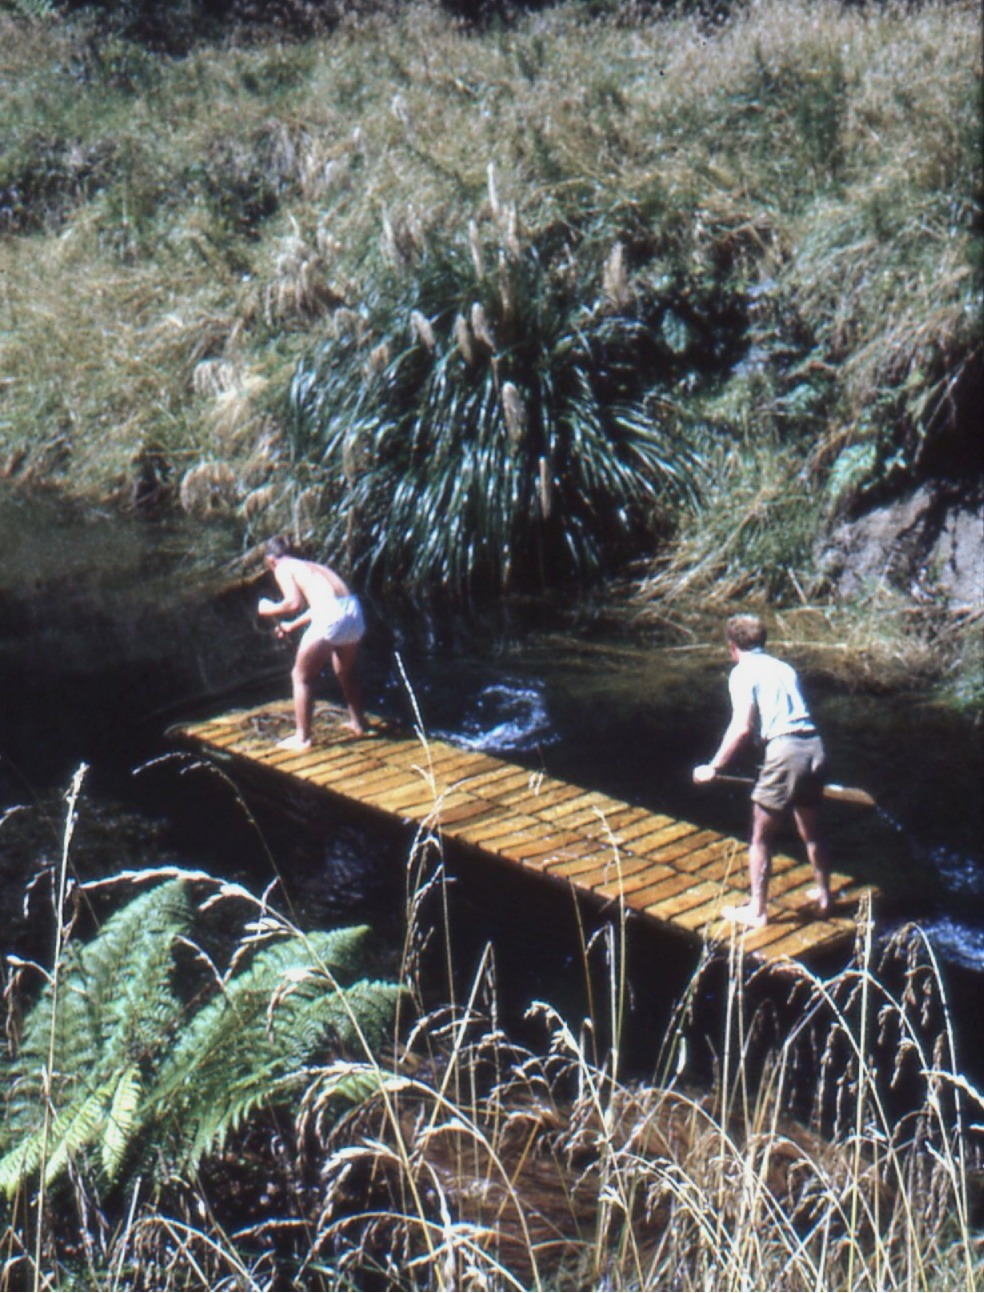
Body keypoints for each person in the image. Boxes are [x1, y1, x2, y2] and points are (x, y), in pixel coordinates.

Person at [692, 613, 832, 929]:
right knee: (811, 829)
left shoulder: (742, 672)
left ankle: (757, 912)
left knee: (760, 837)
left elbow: (742, 727)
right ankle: (825, 898)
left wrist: (714, 767)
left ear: (732, 646)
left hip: (786, 752)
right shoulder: (784, 668)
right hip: (815, 747)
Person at [258, 536, 366, 749]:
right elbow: (326, 602)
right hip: (354, 611)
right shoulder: (314, 566)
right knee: (345, 671)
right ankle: (359, 723)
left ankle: (303, 738)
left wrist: (267, 608)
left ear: (271, 559)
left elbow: (293, 602)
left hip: (331, 615)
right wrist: (292, 626)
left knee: (301, 677)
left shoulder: (282, 567)